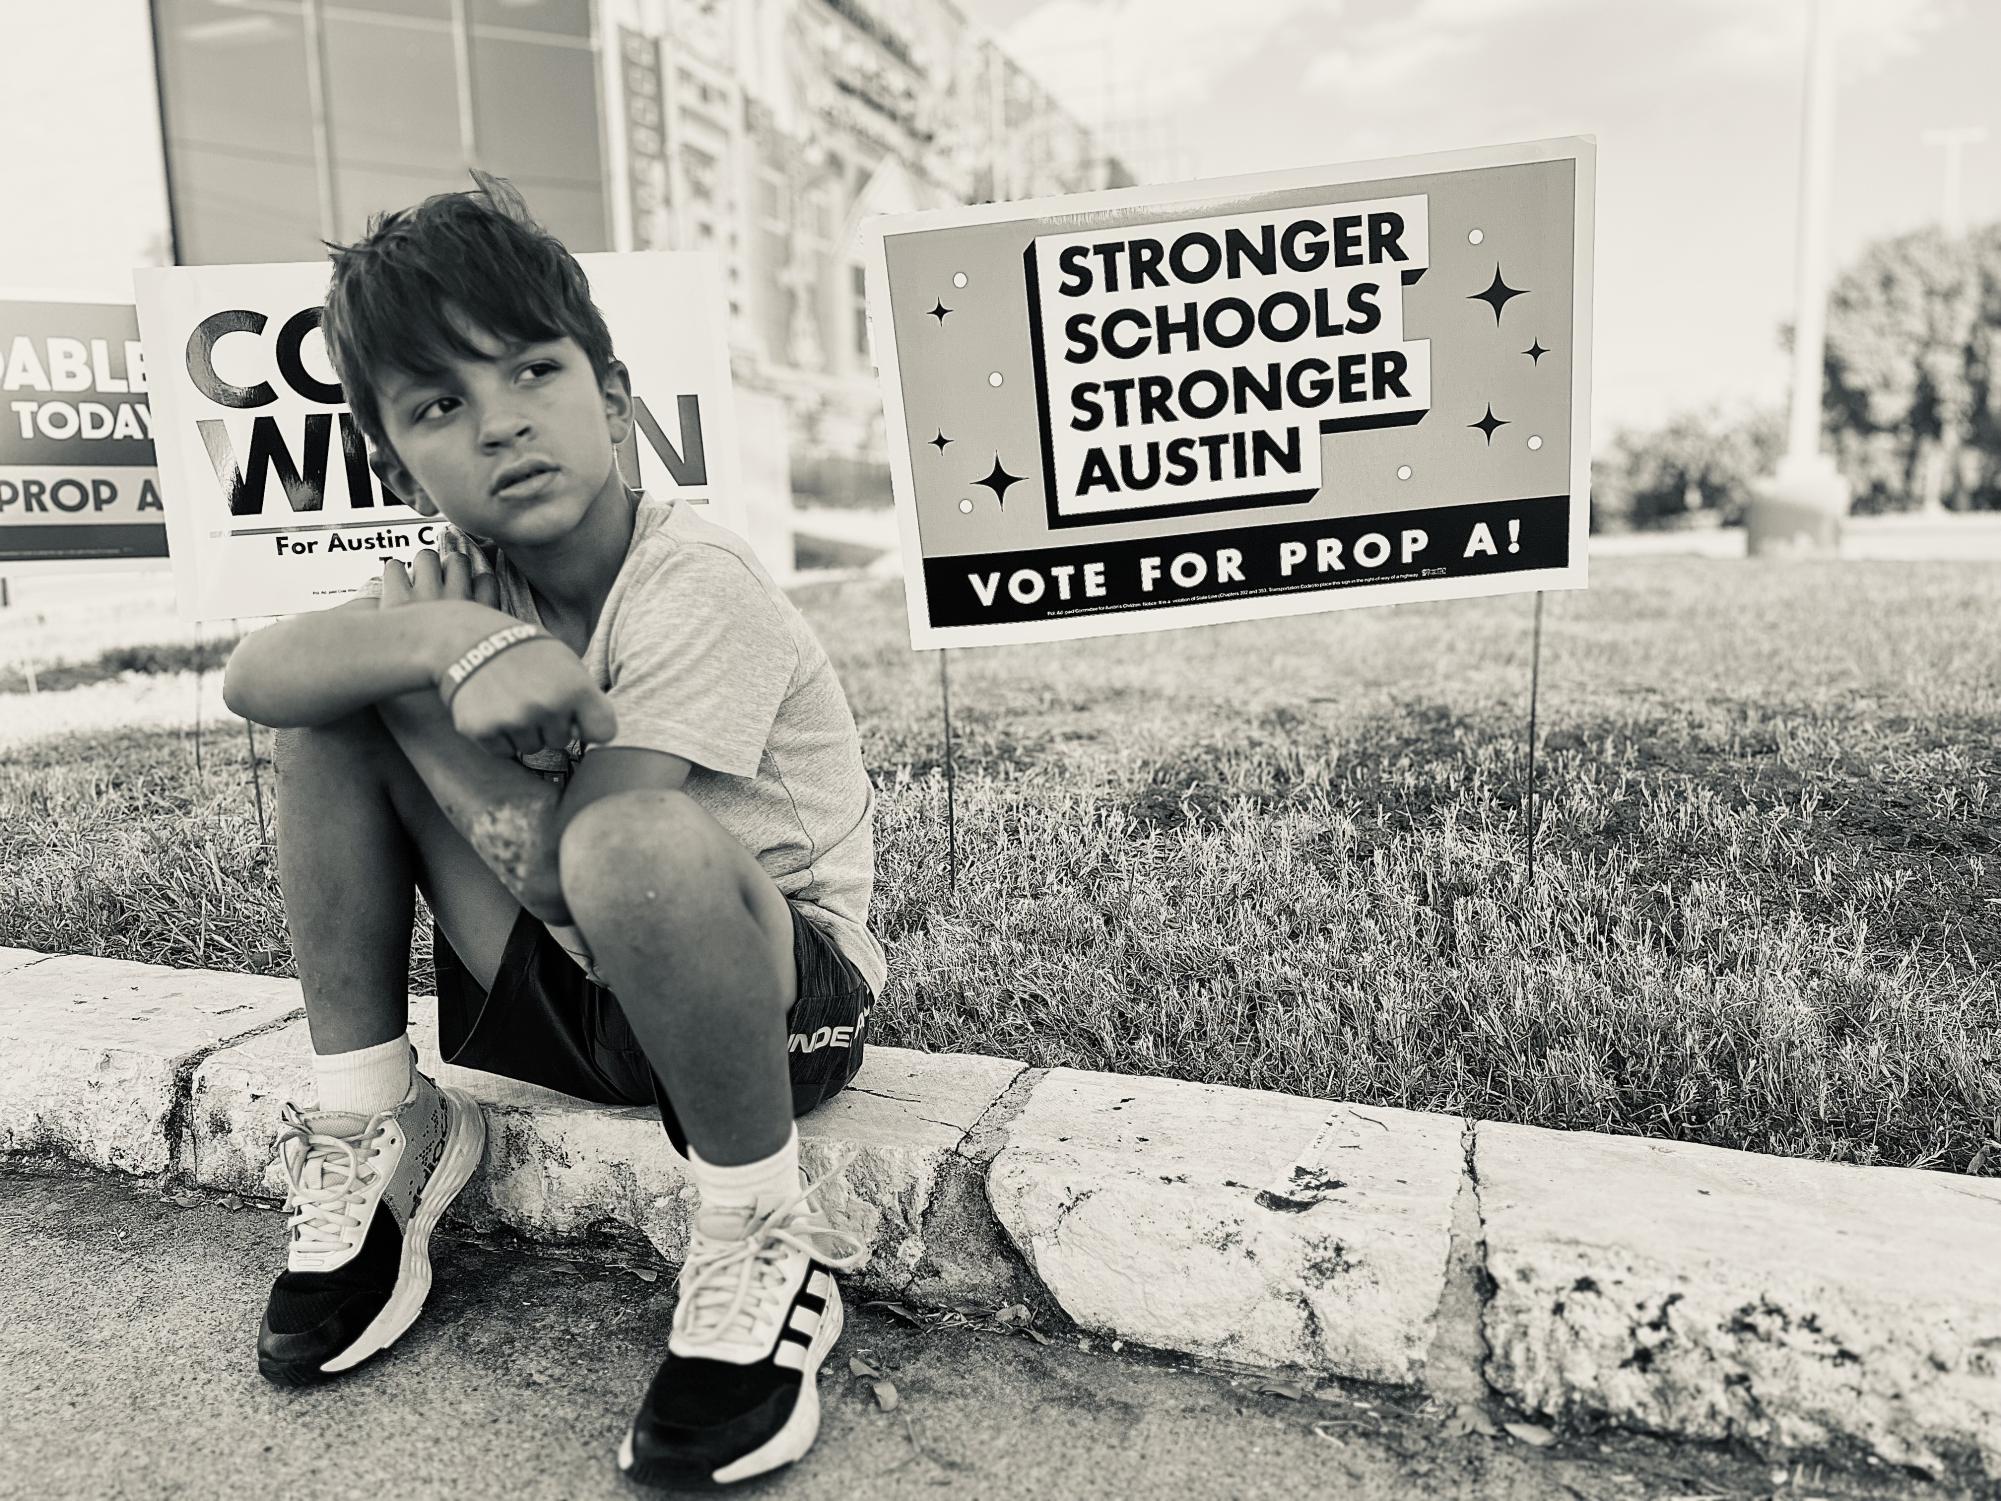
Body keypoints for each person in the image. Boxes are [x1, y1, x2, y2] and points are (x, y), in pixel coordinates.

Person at [221, 173, 886, 1490]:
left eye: (532, 369)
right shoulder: (466, 584)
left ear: (616, 399)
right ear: (392, 457)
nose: (501, 423)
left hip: (762, 1010)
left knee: (625, 840)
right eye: (439, 405)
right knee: (328, 713)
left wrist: (427, 702)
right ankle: (379, 1122)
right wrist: (443, 640)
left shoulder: (692, 580)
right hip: (574, 995)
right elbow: (255, 677)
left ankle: (762, 1233)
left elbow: (593, 866)